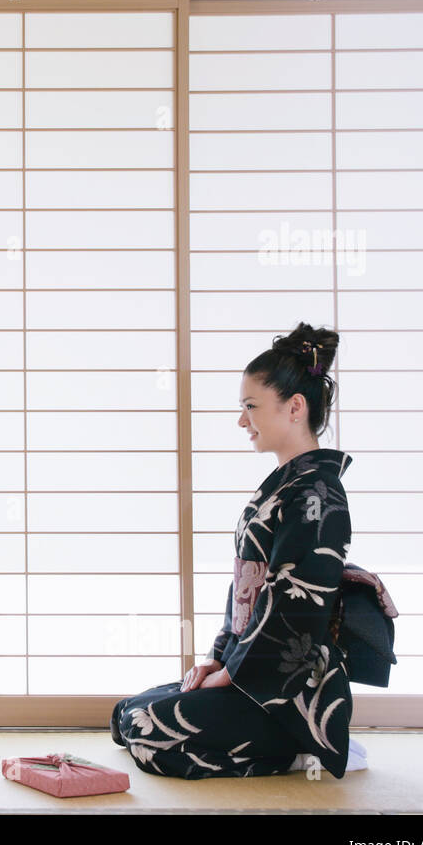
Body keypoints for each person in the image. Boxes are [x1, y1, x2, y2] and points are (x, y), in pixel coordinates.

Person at [110, 322, 360, 778]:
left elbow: (295, 609)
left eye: (250, 407)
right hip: (250, 669)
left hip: (288, 692)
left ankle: (298, 748)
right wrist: (219, 660)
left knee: (146, 733)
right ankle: (249, 735)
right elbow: (243, 597)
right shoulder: (286, 488)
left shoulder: (317, 496)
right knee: (126, 712)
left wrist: (236, 675)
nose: (242, 420)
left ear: (294, 408)